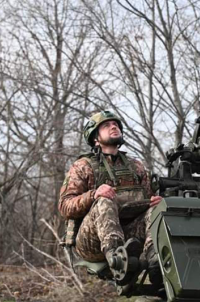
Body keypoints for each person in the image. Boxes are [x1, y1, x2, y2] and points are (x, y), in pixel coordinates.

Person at [59, 110, 162, 283]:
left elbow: (148, 201)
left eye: (115, 124)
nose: (113, 126)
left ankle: (154, 260)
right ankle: (117, 258)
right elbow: (65, 206)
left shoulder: (136, 167)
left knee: (157, 208)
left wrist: (155, 202)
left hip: (130, 235)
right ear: (95, 138)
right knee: (104, 199)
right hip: (92, 241)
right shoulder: (83, 166)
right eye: (106, 125)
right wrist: (94, 194)